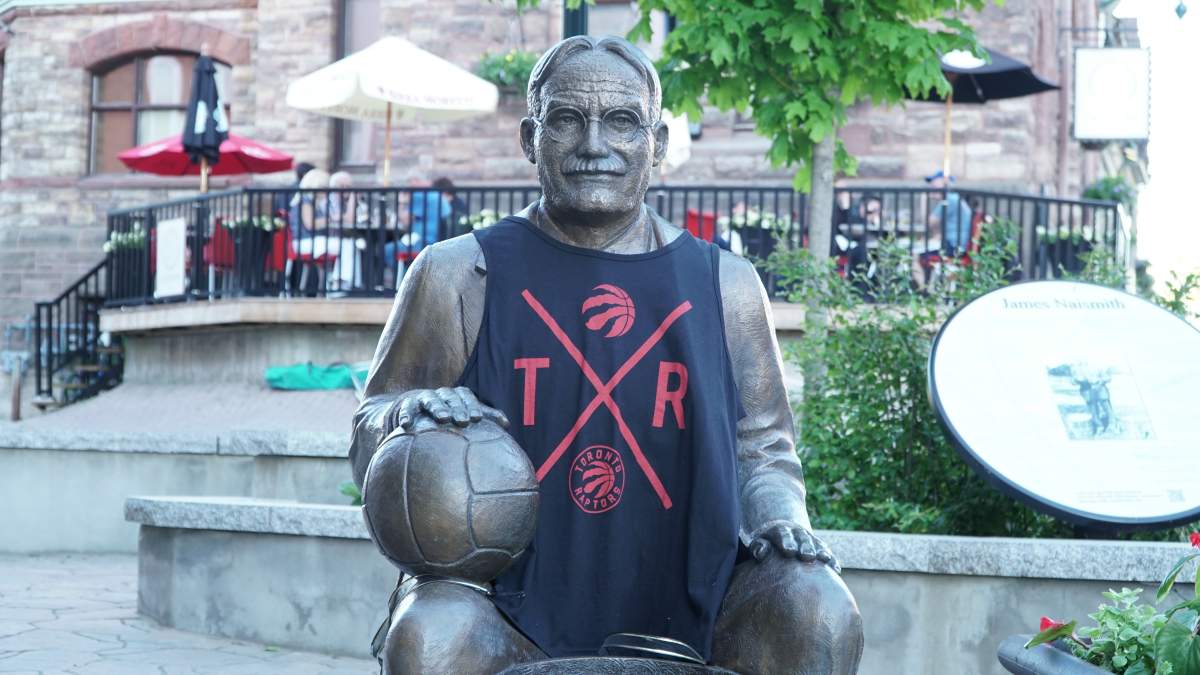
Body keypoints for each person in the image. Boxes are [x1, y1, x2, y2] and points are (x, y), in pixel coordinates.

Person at [349, 36, 862, 675]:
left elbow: (764, 449)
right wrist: (409, 417)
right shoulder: (459, 273)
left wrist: (782, 519)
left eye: (622, 121)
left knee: (816, 606)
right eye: (567, 120)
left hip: (694, 607)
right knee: (431, 634)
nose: (595, 146)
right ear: (529, 138)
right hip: (506, 608)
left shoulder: (724, 284)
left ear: (659, 143)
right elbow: (371, 423)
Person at [288, 169, 360, 293]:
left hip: (314, 241)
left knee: (349, 244)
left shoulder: (315, 201)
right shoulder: (305, 199)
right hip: (304, 241)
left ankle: (342, 282)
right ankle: (339, 283)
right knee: (347, 245)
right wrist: (330, 219)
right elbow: (310, 224)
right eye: (324, 187)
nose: (327, 190)